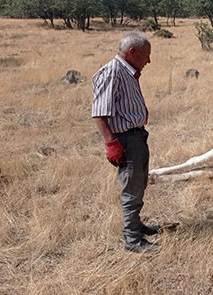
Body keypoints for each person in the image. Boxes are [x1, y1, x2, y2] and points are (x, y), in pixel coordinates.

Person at [91, 32, 160, 253]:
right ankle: (133, 240)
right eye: (145, 56)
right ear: (132, 53)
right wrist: (111, 144)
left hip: (138, 136)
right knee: (131, 189)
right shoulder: (112, 72)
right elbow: (99, 114)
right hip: (126, 140)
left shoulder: (128, 72)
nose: (148, 61)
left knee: (139, 185)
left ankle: (137, 226)